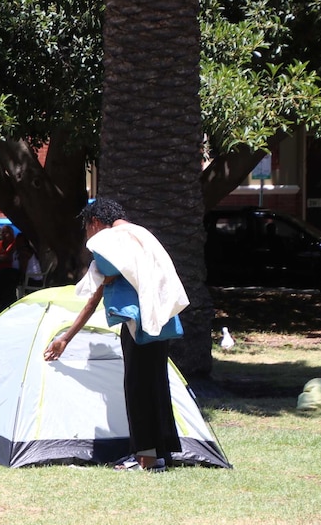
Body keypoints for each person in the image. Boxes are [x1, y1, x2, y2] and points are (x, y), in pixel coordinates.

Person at [43, 198, 189, 472]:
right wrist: (66, 338)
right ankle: (160, 455)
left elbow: (104, 274)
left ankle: (145, 459)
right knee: (155, 385)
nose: (89, 239)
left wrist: (105, 272)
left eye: (87, 230)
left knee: (137, 388)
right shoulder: (143, 235)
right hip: (163, 320)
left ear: (95, 223)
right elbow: (98, 294)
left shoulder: (111, 240)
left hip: (138, 323)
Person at [0, 225, 20, 311]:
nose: (5, 235)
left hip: (10, 272)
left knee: (6, 281)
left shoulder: (14, 244)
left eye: (7, 233)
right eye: (3, 232)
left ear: (12, 234)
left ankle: (7, 304)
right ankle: (3, 304)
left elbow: (8, 258)